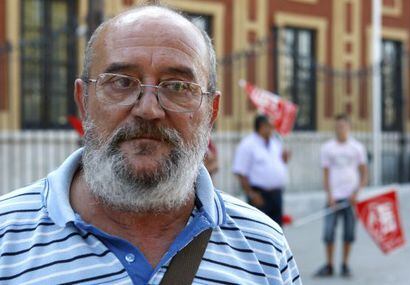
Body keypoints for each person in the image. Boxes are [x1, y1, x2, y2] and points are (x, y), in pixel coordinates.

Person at [0, 4, 301, 284]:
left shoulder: (265, 248)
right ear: (84, 101)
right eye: (121, 81)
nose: (148, 109)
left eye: (178, 86)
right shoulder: (6, 239)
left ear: (212, 112)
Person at [315, 114, 368, 278]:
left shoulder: (357, 148)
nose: (341, 129)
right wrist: (329, 195)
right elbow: (325, 173)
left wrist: (357, 193)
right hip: (334, 197)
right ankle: (329, 264)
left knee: (349, 233)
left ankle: (345, 264)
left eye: (344, 126)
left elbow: (364, 173)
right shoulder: (328, 148)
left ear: (349, 127)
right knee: (329, 232)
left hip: (350, 197)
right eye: (338, 127)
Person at [233, 114, 290, 226]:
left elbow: (276, 163)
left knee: (277, 229)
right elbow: (240, 172)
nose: (272, 129)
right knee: (260, 229)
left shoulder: (275, 142)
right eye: (270, 126)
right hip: (260, 195)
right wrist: (251, 194)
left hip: (276, 194)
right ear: (262, 126)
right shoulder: (248, 144)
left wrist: (284, 158)